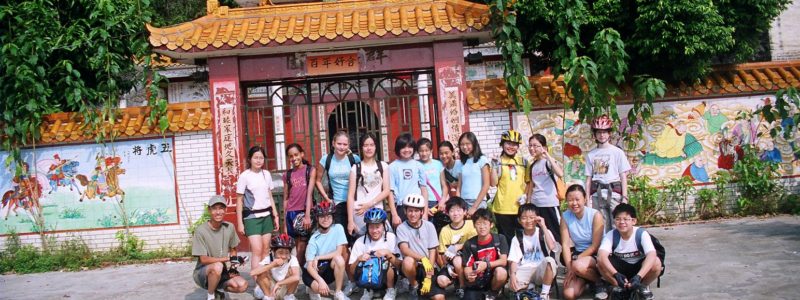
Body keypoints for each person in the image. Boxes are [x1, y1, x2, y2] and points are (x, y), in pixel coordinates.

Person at [597, 204, 661, 300]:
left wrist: (639, 277)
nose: (622, 222)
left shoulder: (641, 233)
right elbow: (601, 256)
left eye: (626, 219)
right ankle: (618, 287)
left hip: (638, 269)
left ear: (633, 221)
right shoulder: (611, 235)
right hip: (620, 270)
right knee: (600, 264)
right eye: (618, 219)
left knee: (656, 262)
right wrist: (615, 274)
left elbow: (652, 254)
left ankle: (641, 287)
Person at [192, 195, 248, 300]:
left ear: (225, 210)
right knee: (217, 266)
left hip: (221, 271)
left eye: (221, 208)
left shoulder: (229, 227)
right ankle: (211, 295)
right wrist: (228, 259)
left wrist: (233, 268)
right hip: (202, 272)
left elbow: (233, 249)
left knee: (242, 285)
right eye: (214, 208)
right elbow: (203, 260)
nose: (218, 212)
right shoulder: (200, 230)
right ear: (209, 210)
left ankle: (218, 290)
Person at [236, 146, 280, 272]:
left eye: (261, 158)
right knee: (257, 250)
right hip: (251, 218)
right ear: (250, 159)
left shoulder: (266, 174)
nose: (259, 160)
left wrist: (275, 216)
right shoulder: (244, 176)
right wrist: (240, 223)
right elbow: (239, 201)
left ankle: (265, 277)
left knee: (266, 249)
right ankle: (257, 282)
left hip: (267, 216)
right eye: (256, 157)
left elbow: (270, 196)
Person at [560, 184, 607, 300]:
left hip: (596, 254)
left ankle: (600, 283)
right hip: (579, 255)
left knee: (577, 265)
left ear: (585, 199)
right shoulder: (565, 216)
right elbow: (565, 245)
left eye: (577, 199)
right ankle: (587, 279)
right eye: (570, 200)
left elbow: (595, 246)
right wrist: (569, 267)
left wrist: (574, 262)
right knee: (569, 295)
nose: (574, 203)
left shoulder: (595, 215)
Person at [584, 115, 631, 232]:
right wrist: (587, 198)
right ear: (594, 134)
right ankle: (605, 249)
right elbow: (588, 179)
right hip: (597, 195)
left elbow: (623, 176)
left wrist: (624, 197)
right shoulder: (591, 155)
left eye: (605, 132)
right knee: (601, 226)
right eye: (599, 132)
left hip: (614, 193)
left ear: (609, 133)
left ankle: (619, 249)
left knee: (618, 224)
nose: (602, 135)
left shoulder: (617, 152)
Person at [508, 204, 561, 300]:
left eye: (532, 217)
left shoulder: (544, 232)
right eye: (524, 218)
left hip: (541, 269)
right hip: (525, 268)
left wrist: (544, 226)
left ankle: (544, 294)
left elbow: (552, 247)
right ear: (519, 220)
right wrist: (512, 275)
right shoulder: (517, 238)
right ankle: (531, 287)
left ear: (537, 218)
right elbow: (514, 260)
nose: (528, 221)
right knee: (513, 286)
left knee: (550, 261)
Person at [348, 208, 400, 300]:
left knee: (387, 261)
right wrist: (358, 259)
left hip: (386, 277)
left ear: (384, 226)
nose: (375, 230)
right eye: (371, 227)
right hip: (368, 277)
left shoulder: (391, 238)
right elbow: (352, 271)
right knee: (362, 263)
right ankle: (368, 290)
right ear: (367, 227)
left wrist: (388, 254)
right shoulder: (360, 241)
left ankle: (390, 289)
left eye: (377, 227)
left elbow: (399, 264)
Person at [347, 133, 392, 238]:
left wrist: (369, 204)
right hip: (359, 212)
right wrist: (350, 220)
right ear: (361, 147)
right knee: (364, 241)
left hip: (377, 210)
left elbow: (386, 190)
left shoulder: (383, 166)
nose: (369, 148)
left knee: (387, 237)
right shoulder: (355, 168)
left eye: (371, 145)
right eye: (365, 145)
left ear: (376, 146)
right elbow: (350, 195)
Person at [316, 131, 361, 231]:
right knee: (342, 235)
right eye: (339, 144)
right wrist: (326, 198)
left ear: (348, 145)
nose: (342, 147)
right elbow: (318, 181)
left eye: (345, 144)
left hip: (355, 202)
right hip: (337, 203)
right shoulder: (326, 159)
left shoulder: (354, 159)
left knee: (357, 234)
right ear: (333, 143)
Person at [396, 194, 439, 299]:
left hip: (428, 265)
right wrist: (422, 258)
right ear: (405, 211)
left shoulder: (429, 226)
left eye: (416, 211)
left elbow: (432, 250)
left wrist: (429, 275)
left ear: (422, 212)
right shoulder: (401, 228)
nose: (413, 214)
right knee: (407, 261)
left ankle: (425, 283)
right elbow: (404, 249)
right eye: (410, 211)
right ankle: (414, 285)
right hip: (414, 264)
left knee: (438, 298)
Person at [304, 201, 349, 300]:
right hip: (313, 271)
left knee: (339, 259)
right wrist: (321, 281)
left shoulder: (338, 228)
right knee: (318, 288)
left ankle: (338, 292)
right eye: (322, 217)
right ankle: (311, 288)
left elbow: (338, 252)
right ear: (317, 218)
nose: (326, 219)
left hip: (326, 267)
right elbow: (309, 267)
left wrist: (318, 257)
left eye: (328, 216)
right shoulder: (313, 239)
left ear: (333, 217)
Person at [461, 208, 508, 300]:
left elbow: (503, 261)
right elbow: (467, 267)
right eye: (478, 223)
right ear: (474, 225)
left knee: (501, 272)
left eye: (485, 223)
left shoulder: (500, 239)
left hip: (494, 276)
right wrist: (469, 275)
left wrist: (486, 265)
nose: (482, 227)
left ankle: (493, 293)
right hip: (478, 279)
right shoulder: (469, 244)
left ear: (491, 225)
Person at [434, 197, 476, 299]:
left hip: (471, 260)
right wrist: (447, 267)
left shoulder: (471, 224)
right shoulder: (445, 230)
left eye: (458, 210)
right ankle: (456, 280)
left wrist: (458, 246)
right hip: (452, 264)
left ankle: (461, 286)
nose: (455, 213)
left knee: (457, 260)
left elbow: (476, 242)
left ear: (465, 211)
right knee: (441, 281)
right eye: (452, 211)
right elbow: (442, 253)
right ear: (447, 213)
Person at [490, 130, 528, 243]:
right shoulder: (499, 161)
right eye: (508, 143)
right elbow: (493, 183)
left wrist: (526, 196)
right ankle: (507, 261)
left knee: (523, 238)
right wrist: (494, 166)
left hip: (520, 206)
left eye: (515, 144)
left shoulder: (524, 162)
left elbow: (529, 182)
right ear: (502, 144)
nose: (511, 147)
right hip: (502, 208)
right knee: (507, 240)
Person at [526, 134, 565, 244]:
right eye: (530, 146)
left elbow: (560, 173)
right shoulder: (533, 166)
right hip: (536, 205)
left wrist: (547, 154)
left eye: (535, 146)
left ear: (544, 147)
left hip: (550, 203)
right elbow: (532, 186)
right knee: (541, 233)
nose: (532, 148)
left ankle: (561, 257)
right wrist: (528, 203)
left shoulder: (549, 162)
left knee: (556, 232)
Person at [283, 143, 315, 267]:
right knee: (295, 246)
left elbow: (309, 194)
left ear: (302, 154)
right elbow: (285, 198)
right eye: (291, 156)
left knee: (302, 246)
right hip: (291, 213)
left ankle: (298, 272)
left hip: (303, 212)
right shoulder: (287, 174)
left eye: (296, 154)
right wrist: (285, 223)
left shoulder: (310, 170)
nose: (294, 158)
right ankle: (297, 273)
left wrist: (307, 215)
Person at [389, 133, 429, 227]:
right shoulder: (392, 167)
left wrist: (425, 211)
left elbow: (424, 189)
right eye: (403, 147)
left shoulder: (419, 166)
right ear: (398, 149)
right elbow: (390, 192)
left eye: (409, 147)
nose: (407, 150)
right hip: (400, 208)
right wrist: (394, 214)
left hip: (417, 206)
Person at [251, 234, 301, 300]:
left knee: (293, 274)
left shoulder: (292, 259)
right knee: (261, 273)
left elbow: (296, 277)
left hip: (284, 285)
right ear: (273, 251)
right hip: (271, 284)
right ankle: (268, 296)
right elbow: (253, 273)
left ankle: (289, 296)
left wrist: (279, 283)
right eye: (280, 252)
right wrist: (272, 265)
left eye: (287, 253)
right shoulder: (269, 258)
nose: (283, 256)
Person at [456, 132, 490, 217]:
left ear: (474, 144)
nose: (464, 147)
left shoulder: (482, 160)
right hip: (463, 202)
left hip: (478, 202)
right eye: (462, 144)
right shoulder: (462, 163)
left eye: (467, 144)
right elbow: (459, 187)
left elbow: (486, 185)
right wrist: (459, 205)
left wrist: (474, 207)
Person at [418, 138, 449, 214]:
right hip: (423, 201)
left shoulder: (438, 164)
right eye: (421, 151)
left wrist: (443, 200)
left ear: (431, 151)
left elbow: (444, 185)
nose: (424, 153)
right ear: (417, 152)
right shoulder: (416, 165)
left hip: (438, 201)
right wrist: (423, 207)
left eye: (426, 150)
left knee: (438, 224)